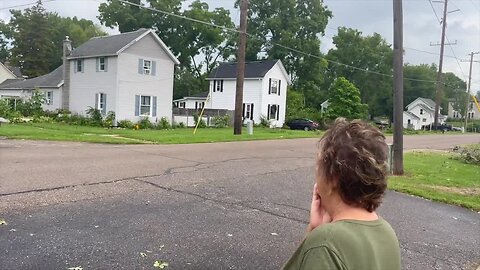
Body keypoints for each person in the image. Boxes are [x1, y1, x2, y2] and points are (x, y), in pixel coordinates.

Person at [283, 118, 401, 270]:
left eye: (319, 168)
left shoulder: (325, 245)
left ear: (332, 178)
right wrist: (315, 230)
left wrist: (317, 236)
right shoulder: (387, 233)